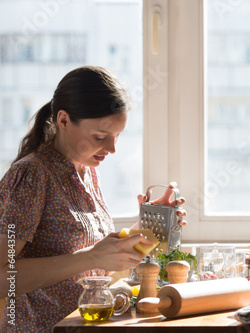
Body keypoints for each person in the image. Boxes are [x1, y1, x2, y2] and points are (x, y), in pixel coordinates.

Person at [0, 66, 186, 332]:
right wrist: (90, 258)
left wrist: (149, 228)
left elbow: (94, 258)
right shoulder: (31, 175)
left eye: (117, 136)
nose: (111, 149)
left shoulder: (86, 171)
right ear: (63, 120)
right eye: (100, 137)